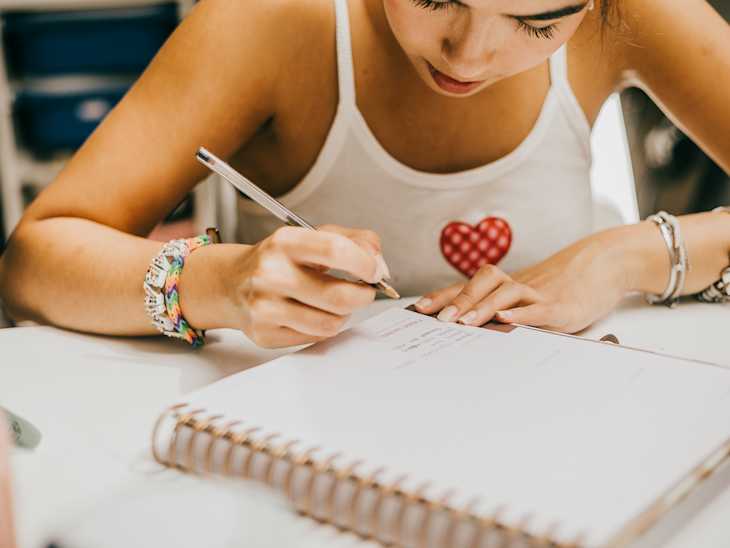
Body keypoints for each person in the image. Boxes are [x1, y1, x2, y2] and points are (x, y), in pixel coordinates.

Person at [0, 0, 728, 348]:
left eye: (537, 25)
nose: (467, 56)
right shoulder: (274, 21)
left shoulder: (633, 12)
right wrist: (218, 282)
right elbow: (34, 262)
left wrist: (626, 253)